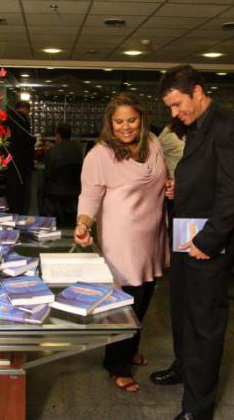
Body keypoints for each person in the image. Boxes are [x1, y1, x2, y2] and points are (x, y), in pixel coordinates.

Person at [150, 64, 234, 420]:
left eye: (178, 104)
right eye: (170, 108)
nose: (175, 114)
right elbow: (208, 175)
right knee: (181, 308)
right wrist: (181, 188)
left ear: (197, 91)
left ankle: (198, 406)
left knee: (204, 321)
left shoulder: (227, 126)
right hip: (186, 229)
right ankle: (183, 366)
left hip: (207, 239)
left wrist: (208, 241)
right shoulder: (197, 125)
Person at [74, 92, 172, 393]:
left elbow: (162, 178)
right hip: (123, 240)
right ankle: (117, 365)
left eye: (131, 120)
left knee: (144, 297)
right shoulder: (101, 154)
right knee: (124, 304)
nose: (126, 127)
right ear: (110, 123)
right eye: (119, 122)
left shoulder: (153, 143)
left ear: (142, 119)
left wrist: (171, 185)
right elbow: (90, 194)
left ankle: (128, 350)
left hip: (152, 235)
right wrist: (83, 223)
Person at [43, 123, 84, 225]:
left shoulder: (53, 151)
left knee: (41, 188)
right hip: (76, 187)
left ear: (58, 135)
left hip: (57, 188)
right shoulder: (78, 148)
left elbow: (48, 173)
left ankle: (47, 221)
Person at [5, 100, 34, 214]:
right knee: (19, 189)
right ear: (25, 109)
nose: (28, 114)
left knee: (11, 187)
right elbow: (26, 138)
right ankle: (19, 212)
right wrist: (34, 140)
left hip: (8, 158)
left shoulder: (7, 117)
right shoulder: (22, 119)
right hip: (20, 160)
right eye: (28, 111)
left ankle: (12, 210)